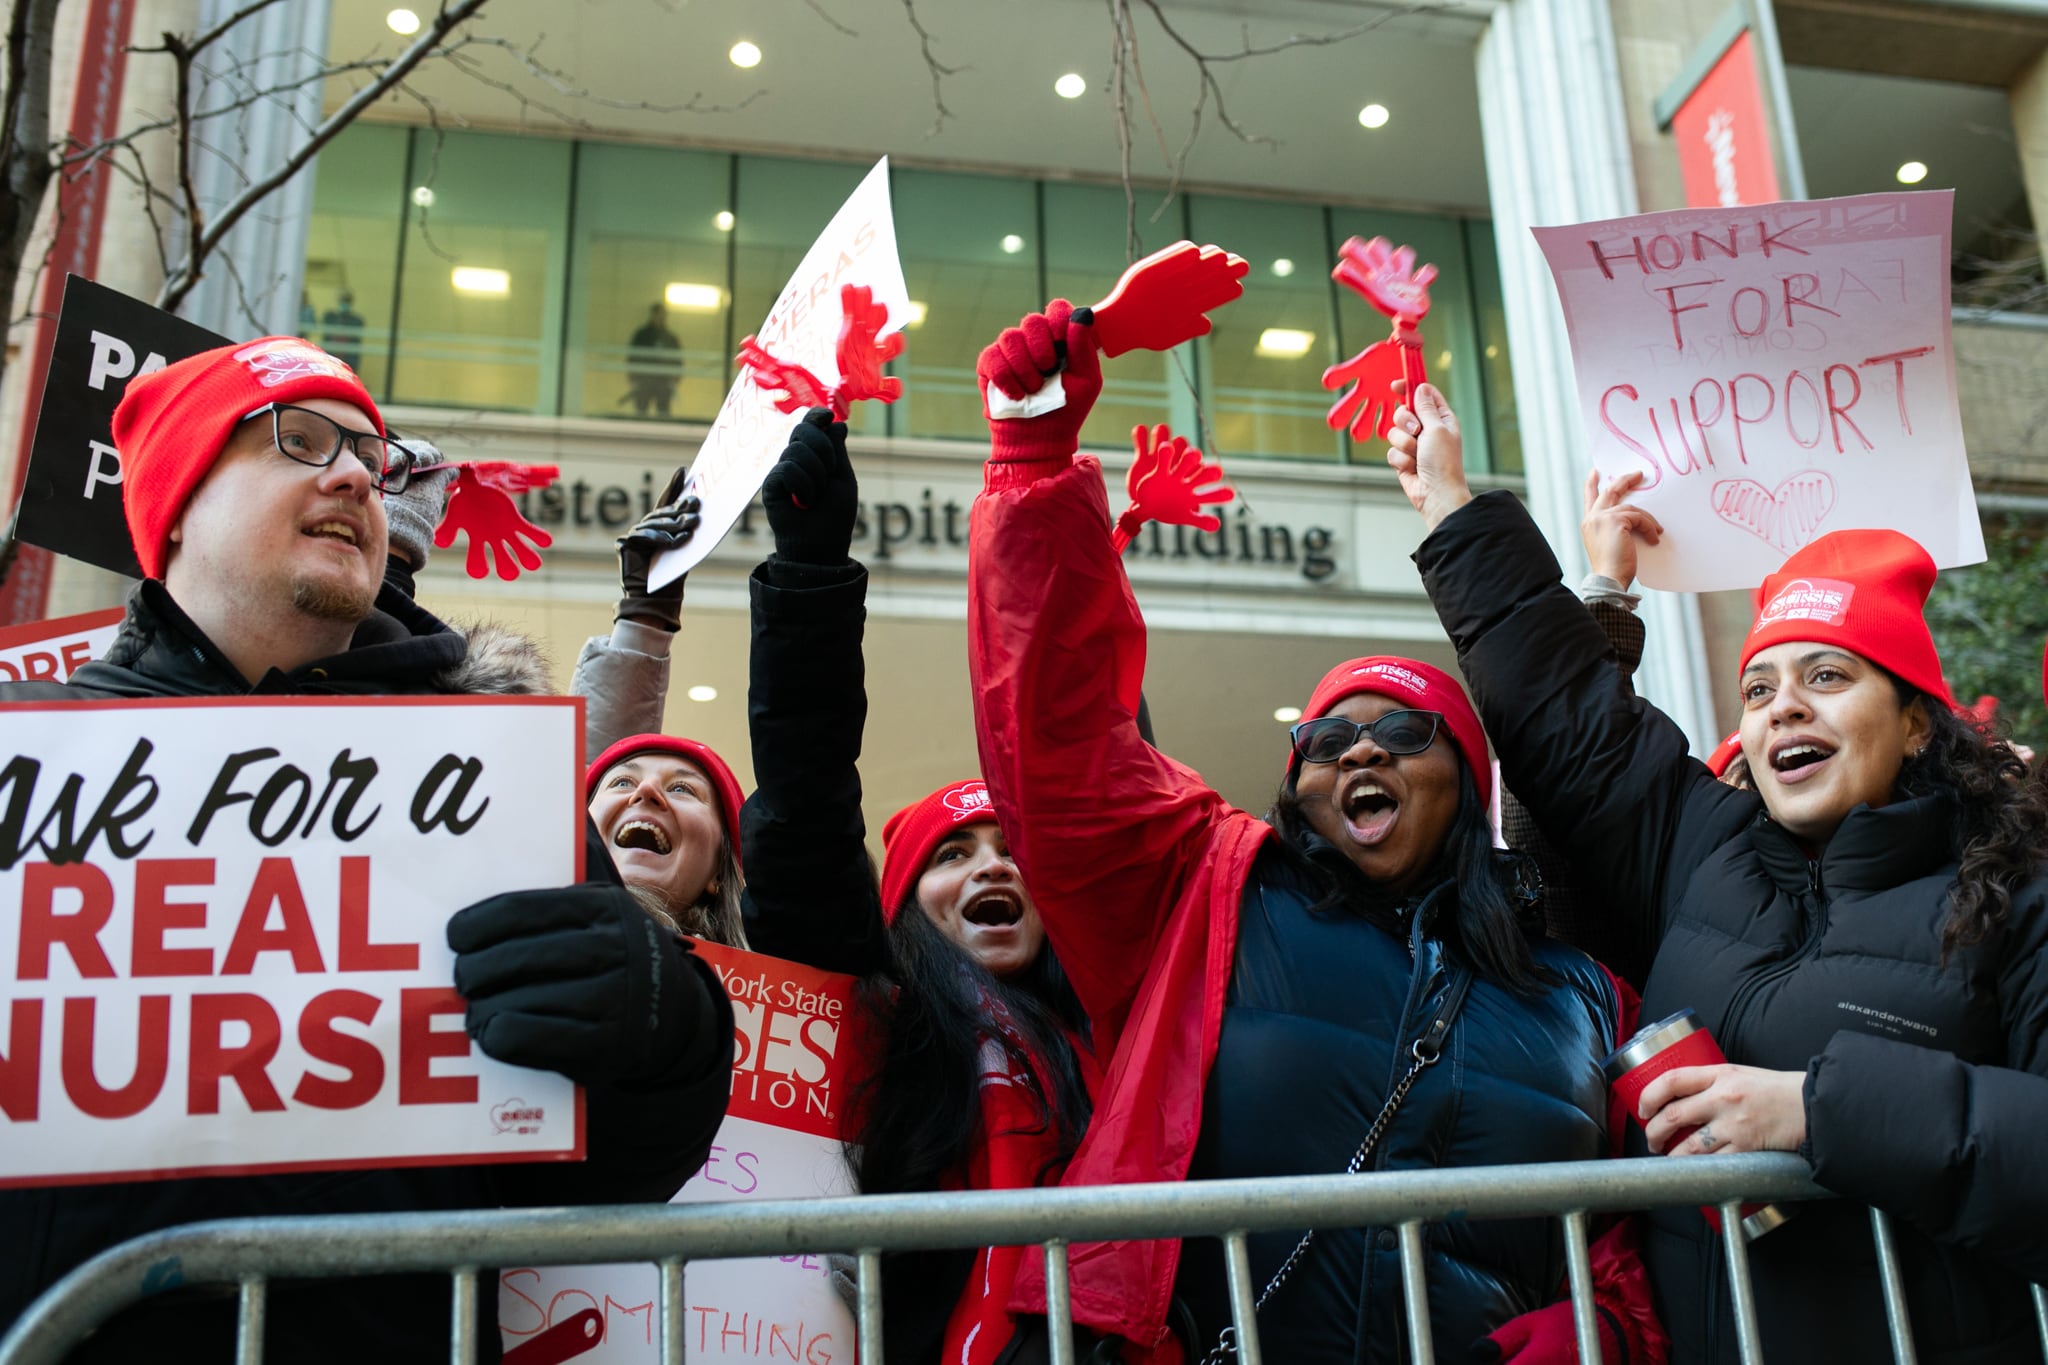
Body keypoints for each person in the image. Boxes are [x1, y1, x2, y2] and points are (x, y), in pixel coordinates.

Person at [0, 337, 734, 1364]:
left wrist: (666, 1034)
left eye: (367, 454)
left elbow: (599, 1177)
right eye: (296, 441)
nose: (354, 474)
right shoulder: (27, 763)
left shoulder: (484, 780)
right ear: (174, 504)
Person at [965, 303, 1664, 1364]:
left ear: (1466, 785)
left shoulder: (1583, 994)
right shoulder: (1203, 896)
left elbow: (1647, 1229)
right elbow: (1058, 733)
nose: (1359, 754)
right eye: (1327, 740)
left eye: (1402, 733)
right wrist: (1032, 460)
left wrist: (1606, 1325)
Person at [1390, 379, 2048, 1363]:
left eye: (1825, 676)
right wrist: (1450, 503)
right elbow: (1567, 715)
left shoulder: (2016, 890)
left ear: (1913, 721)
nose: (1781, 706)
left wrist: (1812, 1111)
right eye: (1757, 687)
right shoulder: (1706, 847)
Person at [585, 732, 748, 945]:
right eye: (622, 782)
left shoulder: (764, 976)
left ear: (718, 872)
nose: (646, 789)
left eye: (682, 789)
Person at [625, 303, 683, 418]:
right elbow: (632, 357)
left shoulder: (670, 338)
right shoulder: (642, 336)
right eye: (659, 315)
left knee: (663, 412)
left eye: (663, 315)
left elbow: (677, 360)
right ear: (653, 315)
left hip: (663, 382)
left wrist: (675, 378)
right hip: (644, 381)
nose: (661, 318)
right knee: (641, 413)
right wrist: (633, 376)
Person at [321, 290, 366, 372]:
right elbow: (327, 335)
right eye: (343, 300)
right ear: (339, 301)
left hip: (347, 359)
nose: (344, 303)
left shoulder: (356, 321)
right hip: (330, 358)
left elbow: (355, 343)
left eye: (347, 301)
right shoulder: (330, 317)